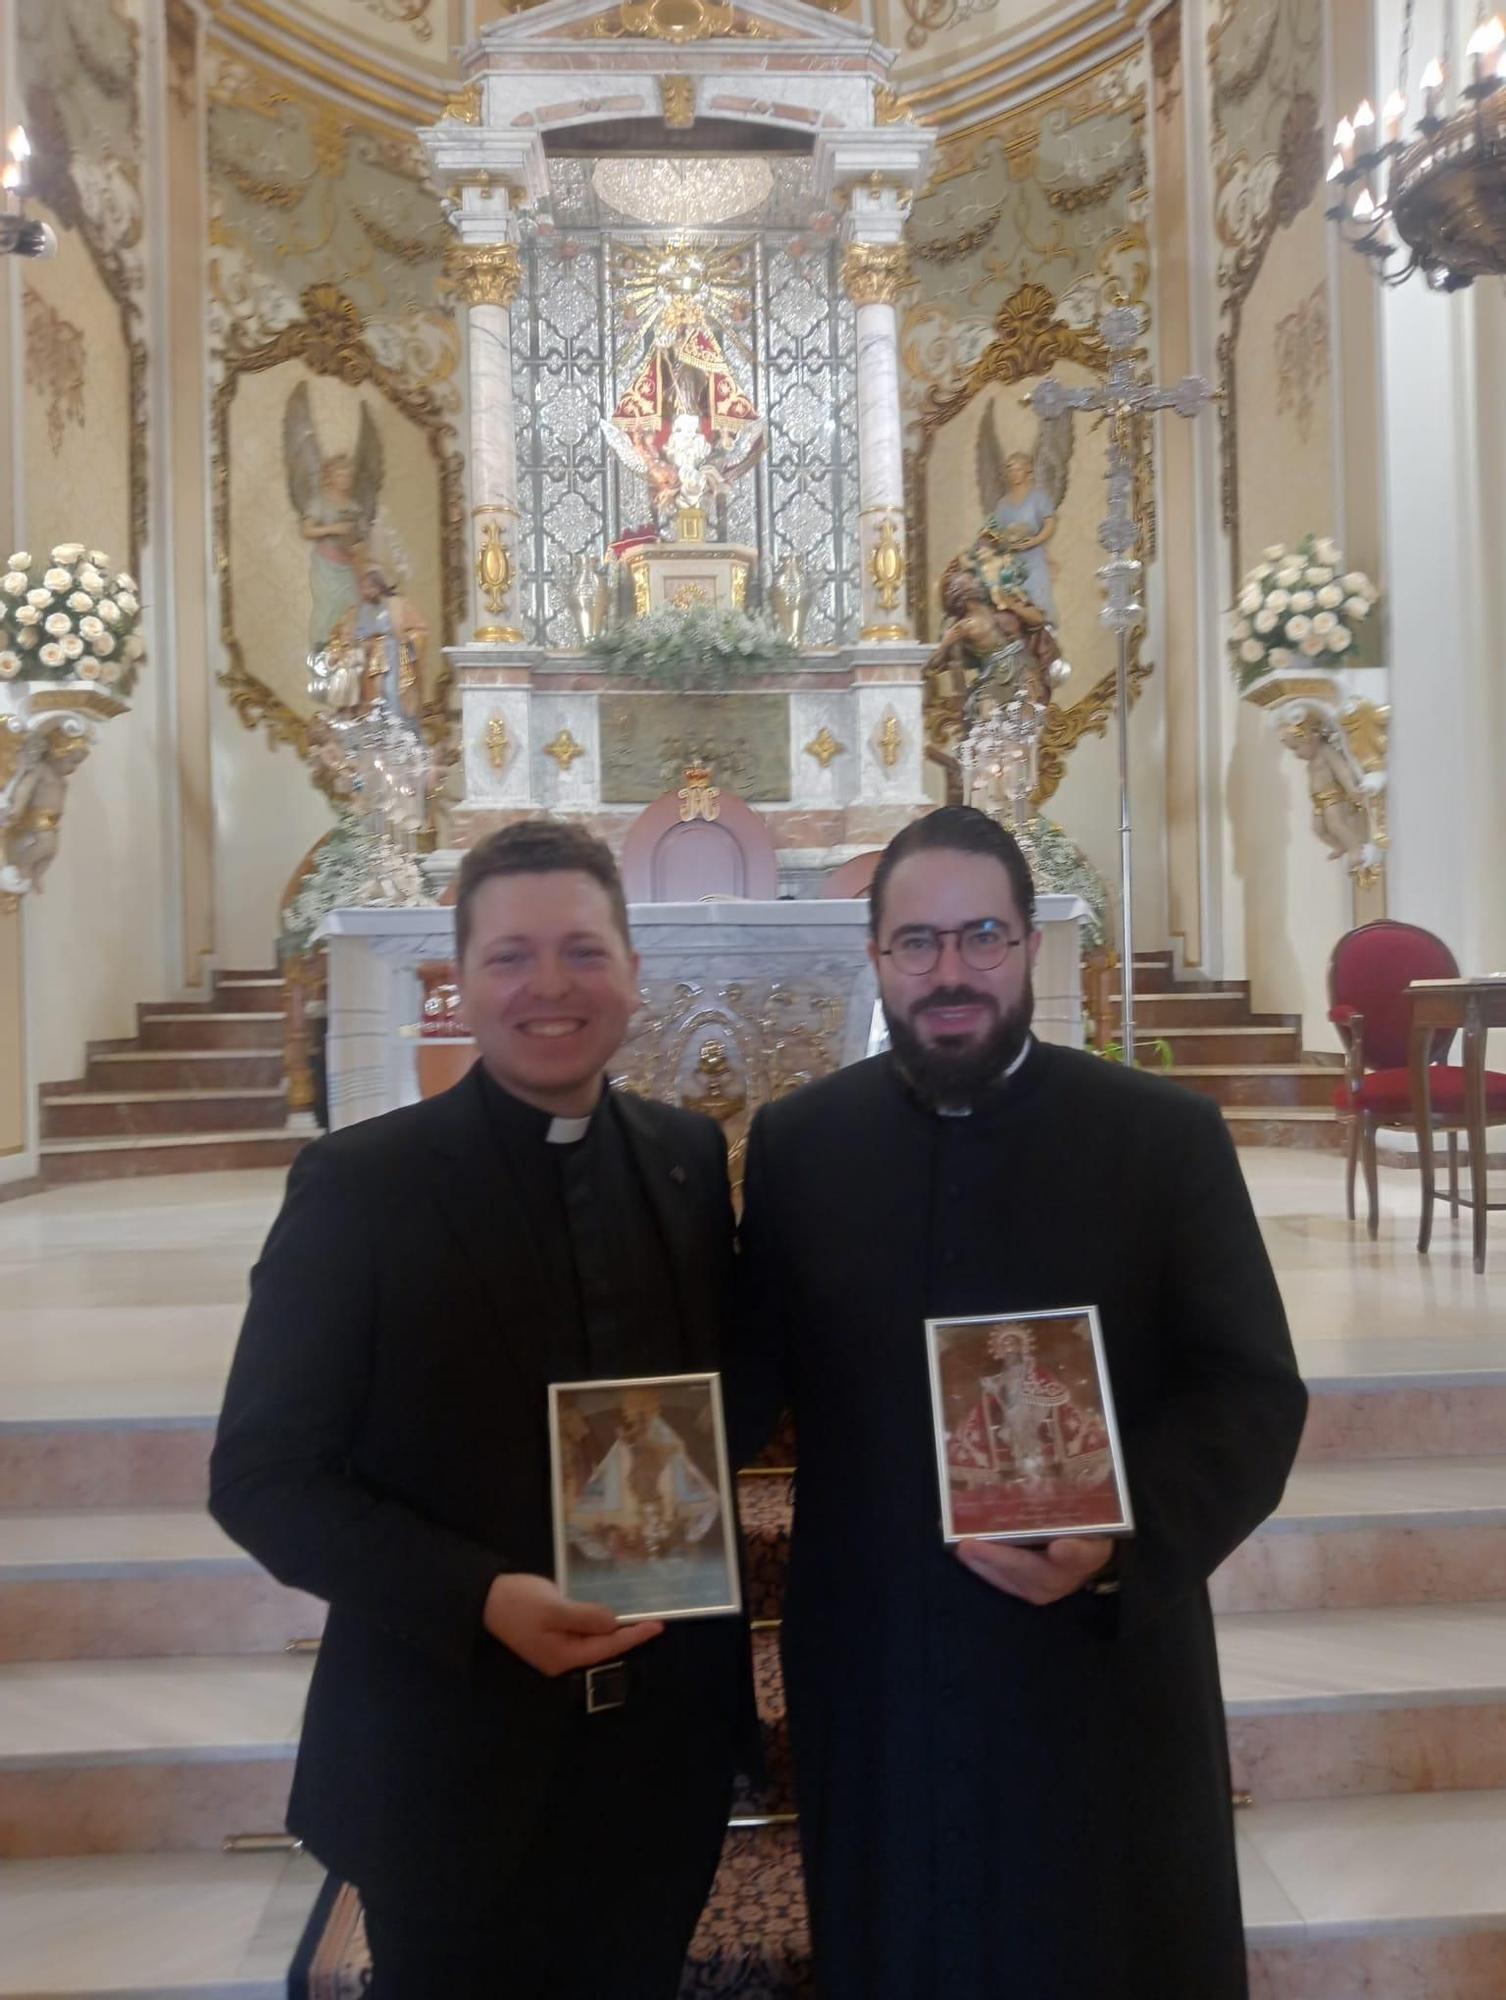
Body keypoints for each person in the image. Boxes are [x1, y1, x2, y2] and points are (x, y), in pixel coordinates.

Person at [733, 805, 1307, 1999]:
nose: (950, 970)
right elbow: (742, 1385)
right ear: (875, 954)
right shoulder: (800, 1146)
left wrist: (1120, 1538)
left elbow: (1248, 1391)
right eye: (917, 941)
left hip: (1095, 1666)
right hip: (879, 1668)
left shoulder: (1163, 1138)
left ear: (1033, 944)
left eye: (982, 935)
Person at [210, 819, 745, 2000]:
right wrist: (479, 1595)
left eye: (583, 950)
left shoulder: (686, 1159)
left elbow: (723, 1395)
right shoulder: (360, 1185)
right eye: (511, 955)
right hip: (446, 1757)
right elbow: (262, 1476)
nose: (550, 985)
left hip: (658, 1758)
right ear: (459, 977)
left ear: (633, 970)